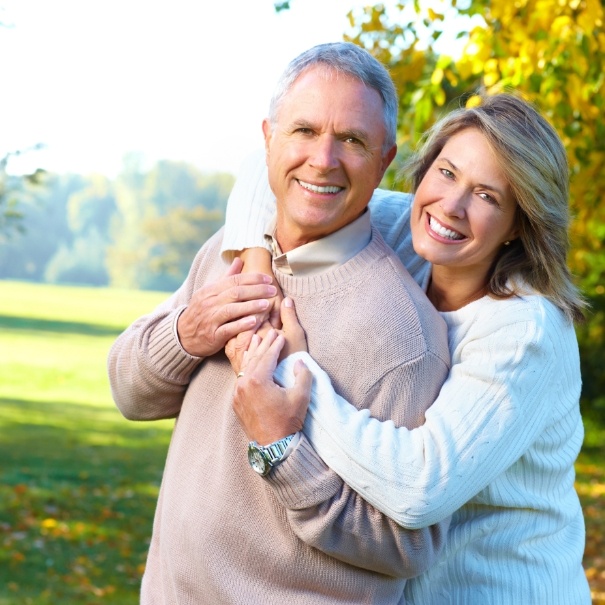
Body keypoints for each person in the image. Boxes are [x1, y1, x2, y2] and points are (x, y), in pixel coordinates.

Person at [107, 42, 452, 604]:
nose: (323, 159)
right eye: (304, 131)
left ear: (385, 160)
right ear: (268, 138)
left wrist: (282, 449)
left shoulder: (403, 336)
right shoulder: (228, 252)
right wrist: (187, 335)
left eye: (352, 141)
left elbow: (406, 547)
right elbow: (128, 392)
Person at [224, 92, 592, 604]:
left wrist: (294, 372)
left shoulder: (524, 330)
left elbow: (418, 488)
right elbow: (263, 171)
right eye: (446, 173)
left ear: (520, 225)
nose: (452, 206)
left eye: (487, 196)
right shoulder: (406, 231)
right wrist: (259, 275)